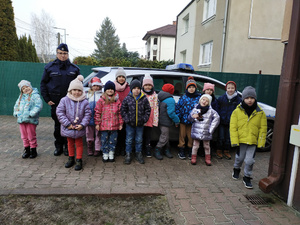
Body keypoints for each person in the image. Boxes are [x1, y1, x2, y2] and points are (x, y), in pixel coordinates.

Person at [40, 43, 80, 156]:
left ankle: (68, 147)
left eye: (65, 53)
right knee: (58, 125)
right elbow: (43, 83)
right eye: (60, 53)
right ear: (57, 53)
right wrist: (47, 99)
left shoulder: (74, 69)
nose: (63, 55)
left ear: (68, 54)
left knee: (70, 124)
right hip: (56, 102)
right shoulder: (49, 68)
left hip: (71, 102)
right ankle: (58, 146)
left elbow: (79, 86)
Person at [230, 86, 267, 189]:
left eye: (252, 98)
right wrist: (234, 140)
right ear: (243, 99)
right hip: (241, 141)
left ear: (255, 98)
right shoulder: (237, 111)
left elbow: (263, 129)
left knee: (250, 160)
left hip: (252, 141)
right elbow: (233, 127)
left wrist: (261, 142)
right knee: (239, 158)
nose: (249, 100)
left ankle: (247, 176)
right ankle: (236, 169)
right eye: (247, 98)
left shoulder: (260, 112)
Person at [56, 75, 91, 171]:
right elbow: (60, 113)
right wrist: (67, 124)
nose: (77, 92)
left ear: (82, 91)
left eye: (79, 90)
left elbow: (87, 114)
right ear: (70, 90)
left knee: (79, 144)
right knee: (70, 143)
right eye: (74, 90)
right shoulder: (64, 100)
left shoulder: (84, 102)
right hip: (68, 127)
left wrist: (82, 125)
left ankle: (79, 160)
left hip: (79, 128)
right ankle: (71, 158)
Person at [121, 79, 151, 164]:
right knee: (129, 140)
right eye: (134, 88)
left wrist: (144, 119)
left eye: (138, 88)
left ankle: (138, 153)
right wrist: (127, 120)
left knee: (139, 140)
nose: (136, 90)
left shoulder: (144, 99)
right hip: (130, 124)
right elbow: (123, 110)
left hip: (140, 124)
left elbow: (148, 110)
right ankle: (128, 154)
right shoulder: (127, 99)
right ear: (131, 89)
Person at [94, 81, 123, 163]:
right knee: (104, 140)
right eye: (108, 89)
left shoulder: (117, 100)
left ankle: (111, 153)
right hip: (104, 125)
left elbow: (120, 113)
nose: (110, 90)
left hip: (114, 125)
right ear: (105, 90)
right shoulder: (101, 100)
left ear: (114, 90)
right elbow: (97, 112)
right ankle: (105, 153)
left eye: (112, 89)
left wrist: (121, 123)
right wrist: (97, 123)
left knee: (113, 140)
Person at [13, 80, 43, 159]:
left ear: (30, 86)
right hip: (21, 120)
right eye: (23, 88)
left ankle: (33, 150)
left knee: (31, 135)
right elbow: (16, 106)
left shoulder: (35, 95)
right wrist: (16, 113)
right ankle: (27, 150)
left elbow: (38, 105)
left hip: (31, 120)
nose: (26, 89)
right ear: (21, 91)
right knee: (24, 136)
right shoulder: (20, 97)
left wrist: (31, 113)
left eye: (27, 87)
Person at [188, 94, 220, 166]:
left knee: (207, 146)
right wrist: (193, 117)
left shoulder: (211, 111)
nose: (204, 101)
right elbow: (189, 118)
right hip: (197, 131)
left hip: (206, 131)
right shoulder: (195, 109)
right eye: (203, 99)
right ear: (200, 100)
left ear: (209, 103)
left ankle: (208, 158)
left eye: (207, 101)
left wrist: (211, 129)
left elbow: (217, 119)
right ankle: (193, 157)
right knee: (195, 145)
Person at [175, 76, 200, 160]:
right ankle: (181, 149)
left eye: (193, 87)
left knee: (191, 136)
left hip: (193, 122)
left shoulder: (198, 98)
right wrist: (178, 118)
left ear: (195, 88)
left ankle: (190, 150)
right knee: (182, 136)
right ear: (187, 88)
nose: (191, 89)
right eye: (189, 87)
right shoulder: (183, 97)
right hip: (183, 120)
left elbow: (201, 108)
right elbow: (178, 108)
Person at [154, 84, 180, 160]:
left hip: (159, 120)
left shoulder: (159, 96)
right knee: (164, 136)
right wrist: (177, 120)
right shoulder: (170, 100)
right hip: (166, 121)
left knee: (166, 135)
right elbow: (171, 113)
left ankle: (166, 149)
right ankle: (157, 149)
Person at [216, 81, 242, 160]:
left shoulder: (238, 100)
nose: (230, 90)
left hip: (232, 122)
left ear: (235, 89)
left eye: (232, 88)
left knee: (228, 138)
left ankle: (226, 151)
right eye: (229, 88)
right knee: (221, 137)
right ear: (226, 89)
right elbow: (218, 109)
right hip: (222, 121)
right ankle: (219, 150)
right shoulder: (221, 98)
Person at [114, 67, 130, 156]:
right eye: (119, 76)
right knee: (116, 132)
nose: (121, 78)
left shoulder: (128, 87)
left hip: (126, 113)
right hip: (115, 113)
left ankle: (123, 148)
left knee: (124, 132)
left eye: (123, 77)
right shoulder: (113, 86)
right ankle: (116, 148)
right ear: (116, 78)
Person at [141, 74, 159, 157]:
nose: (148, 87)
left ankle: (147, 148)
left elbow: (156, 108)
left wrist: (155, 121)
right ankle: (140, 149)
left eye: (149, 85)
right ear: (143, 86)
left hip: (150, 119)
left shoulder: (155, 95)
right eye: (146, 85)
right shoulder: (140, 94)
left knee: (148, 135)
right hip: (141, 118)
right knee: (140, 134)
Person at [86, 77, 103, 157]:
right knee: (89, 134)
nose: (96, 87)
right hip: (89, 119)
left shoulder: (102, 95)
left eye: (97, 85)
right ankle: (90, 147)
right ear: (91, 86)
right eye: (94, 85)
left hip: (98, 119)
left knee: (98, 134)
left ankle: (97, 149)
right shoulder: (87, 95)